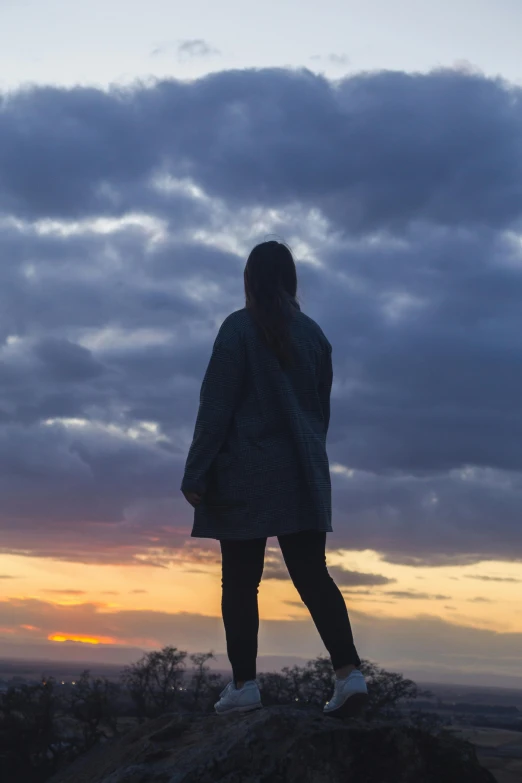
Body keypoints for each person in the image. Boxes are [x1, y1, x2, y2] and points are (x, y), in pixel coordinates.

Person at [180, 240, 368, 718]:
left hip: (245, 473)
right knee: (312, 576)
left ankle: (244, 686)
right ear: (290, 280)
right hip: (304, 470)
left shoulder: (238, 329)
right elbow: (320, 412)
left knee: (240, 583)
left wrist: (197, 470)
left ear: (249, 280)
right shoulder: (314, 336)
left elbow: (216, 406)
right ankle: (349, 674)